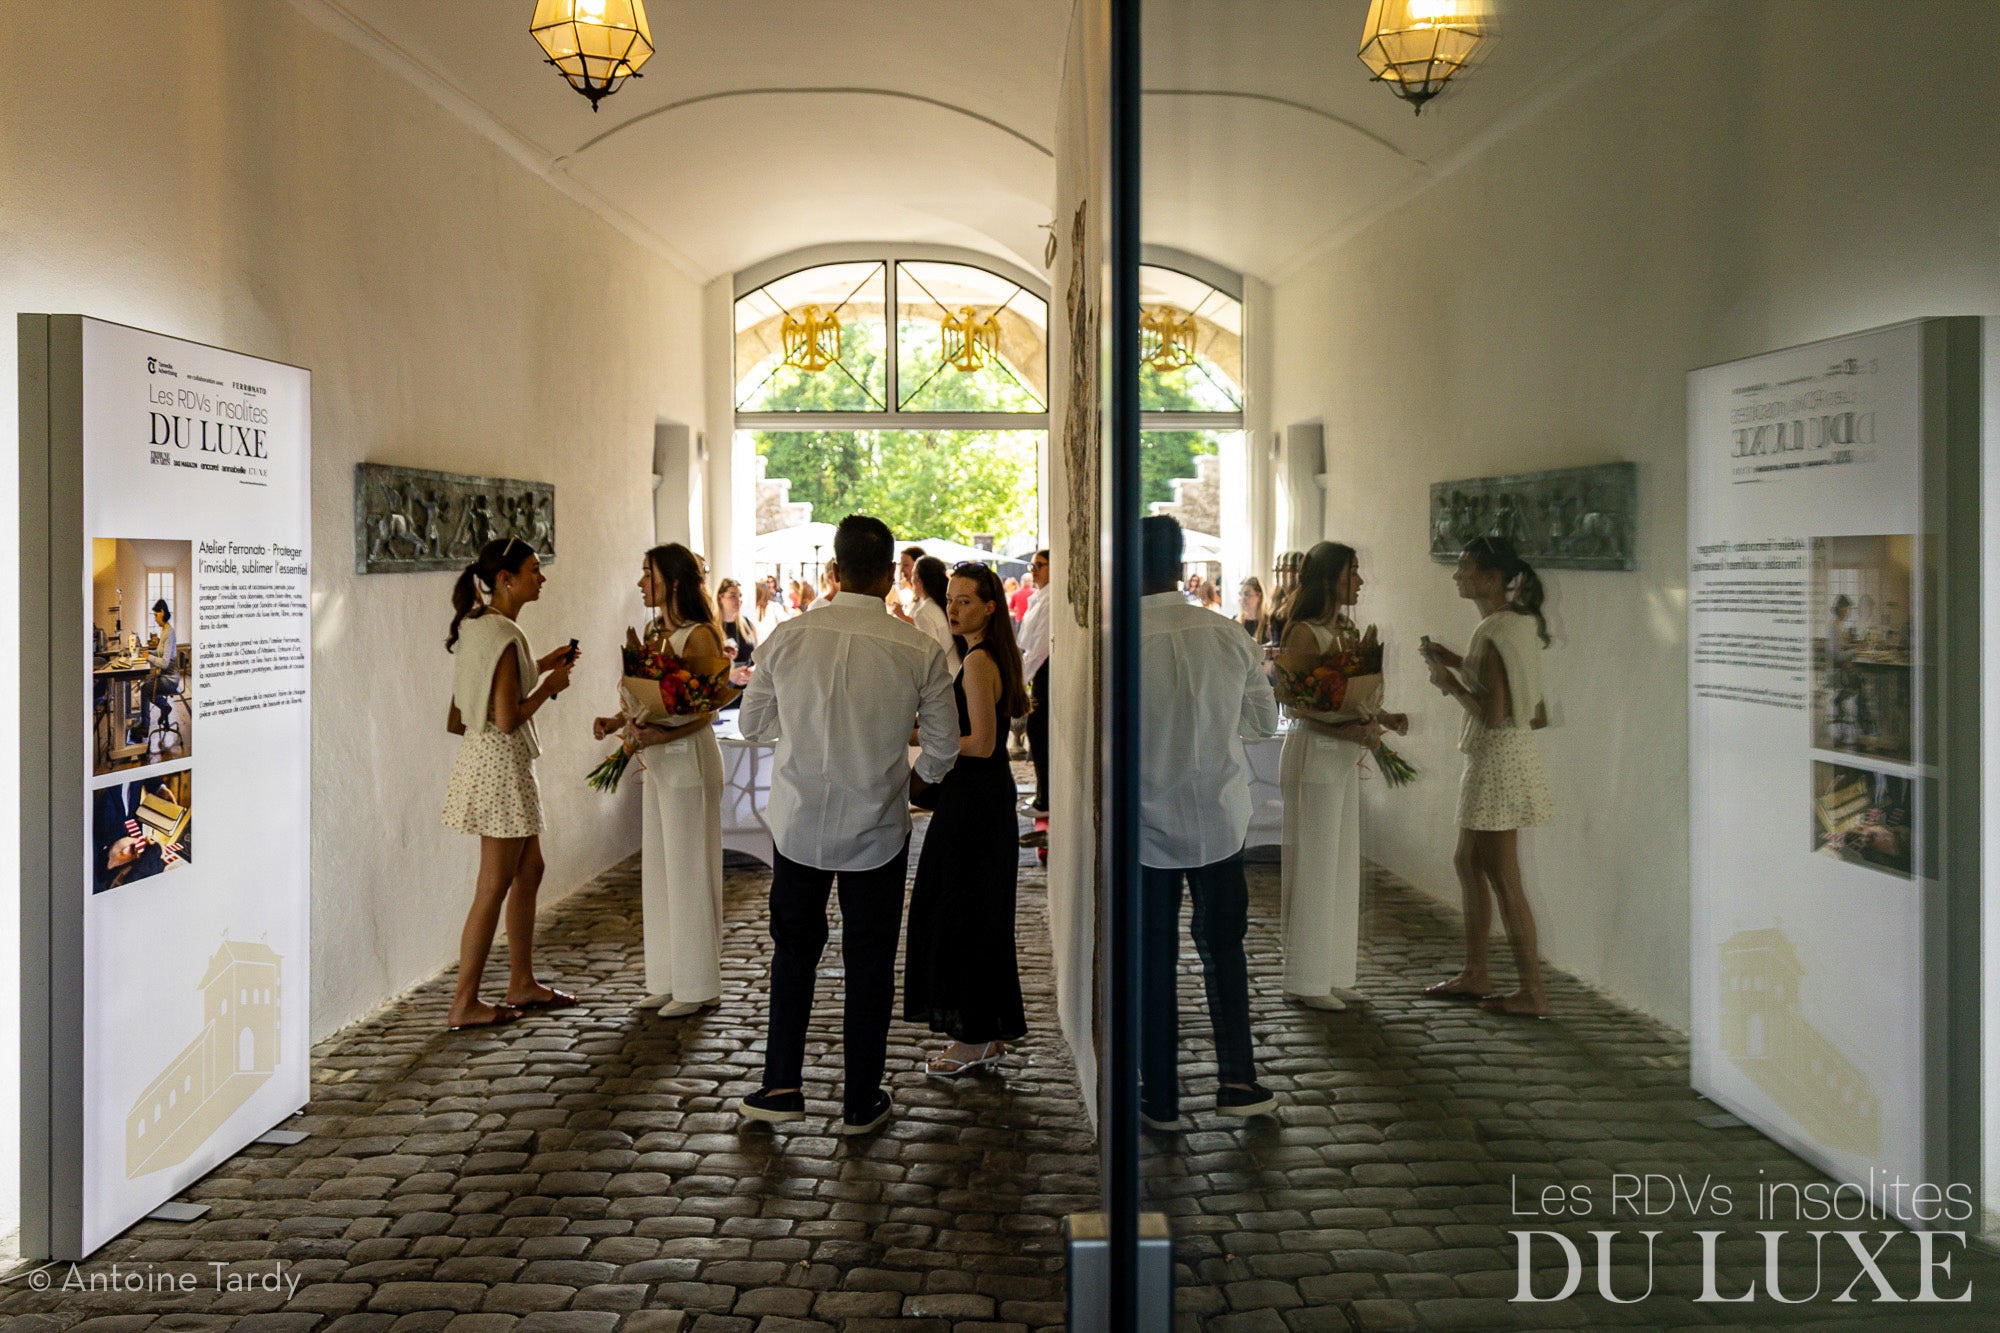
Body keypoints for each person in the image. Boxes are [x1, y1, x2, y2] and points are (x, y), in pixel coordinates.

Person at [735, 515, 960, 1134]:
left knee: (793, 952)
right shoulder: (917, 648)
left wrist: (803, 733)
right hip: (878, 827)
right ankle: (860, 1099)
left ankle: (781, 1083)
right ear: (890, 576)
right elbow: (943, 748)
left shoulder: (786, 638)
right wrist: (909, 786)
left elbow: (753, 726)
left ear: (834, 571)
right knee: (869, 961)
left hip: (798, 822)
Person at [1137, 517, 1281, 1127]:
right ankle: (1237, 1079)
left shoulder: (1119, 642)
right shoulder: (1228, 635)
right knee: (1224, 949)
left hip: (1144, 823)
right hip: (1219, 817)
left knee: (1153, 957)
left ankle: (1160, 1095)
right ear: (1180, 567)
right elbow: (1263, 724)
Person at [441, 537, 578, 1030]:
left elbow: (478, 697)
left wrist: (541, 664)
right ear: (506, 578)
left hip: (489, 762)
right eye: (534, 569)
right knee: (493, 884)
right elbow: (506, 718)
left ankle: (521, 980)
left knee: (530, 868)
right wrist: (549, 687)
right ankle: (464, 1002)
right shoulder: (504, 633)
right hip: (502, 767)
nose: (542, 577)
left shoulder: (478, 624)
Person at [594, 545, 735, 1019]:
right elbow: (651, 699)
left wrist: (661, 732)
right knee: (660, 870)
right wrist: (619, 721)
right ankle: (668, 978)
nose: (640, 584)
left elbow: (706, 709)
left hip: (689, 759)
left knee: (690, 869)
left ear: (673, 581)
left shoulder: (700, 636)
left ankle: (700, 984)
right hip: (659, 761)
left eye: (647, 574)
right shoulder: (657, 632)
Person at [1420, 535, 1556, 1018]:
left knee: (1504, 877)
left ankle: (1532, 992)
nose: (1458, 575)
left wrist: (1449, 683)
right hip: (1506, 757)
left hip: (1496, 761)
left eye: (1467, 568)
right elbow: (1518, 695)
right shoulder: (1516, 622)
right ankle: (1476, 971)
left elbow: (1493, 713)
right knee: (1468, 861)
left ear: (1492, 578)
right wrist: (1458, 661)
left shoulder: (1495, 629)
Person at [904, 563, 1031, 1075]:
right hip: (979, 798)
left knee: (963, 914)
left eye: (964, 601)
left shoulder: (979, 661)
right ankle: (984, 1033)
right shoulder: (984, 654)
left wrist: (928, 742)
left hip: (975, 802)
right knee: (975, 913)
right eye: (951, 599)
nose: (953, 609)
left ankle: (974, 1037)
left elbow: (981, 743)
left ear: (989, 608)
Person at [1273, 543, 1409, 1010]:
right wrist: (1346, 728)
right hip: (1315, 754)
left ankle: (1334, 972)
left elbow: (1350, 696)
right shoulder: (1304, 633)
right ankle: (1305, 979)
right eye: (1353, 572)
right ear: (1330, 578)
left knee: (1341, 866)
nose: (1361, 581)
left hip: (1342, 756)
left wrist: (1381, 717)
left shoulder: (1347, 631)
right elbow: (1295, 705)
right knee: (1314, 866)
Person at [1019, 548, 1052, 813]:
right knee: (1037, 734)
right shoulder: (1039, 597)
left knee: (1039, 733)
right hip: (1035, 669)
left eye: (1039, 566)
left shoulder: (1051, 600)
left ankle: (1045, 798)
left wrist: (1020, 680)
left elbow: (1040, 647)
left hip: (1044, 670)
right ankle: (1043, 794)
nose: (1034, 571)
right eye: (1032, 566)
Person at [137, 599, 181, 748]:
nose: (155, 619)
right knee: (147, 687)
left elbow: (164, 663)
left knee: (145, 689)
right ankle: (165, 707)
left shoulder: (169, 632)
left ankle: (145, 726)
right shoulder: (165, 630)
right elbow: (160, 652)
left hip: (170, 679)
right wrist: (148, 652)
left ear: (162, 612)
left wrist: (148, 657)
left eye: (156, 615)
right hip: (165, 676)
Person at [910, 556, 960, 670]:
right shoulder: (945, 605)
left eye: (913, 575)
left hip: (943, 674)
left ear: (919, 581)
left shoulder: (923, 612)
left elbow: (930, 656)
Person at [715, 577, 757, 711]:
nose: (738, 600)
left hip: (747, 696)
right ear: (720, 597)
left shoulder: (748, 625)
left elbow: (757, 657)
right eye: (733, 596)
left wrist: (752, 671)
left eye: (740, 596)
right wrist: (729, 676)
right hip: (723, 697)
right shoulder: (711, 628)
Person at [890, 545, 928, 623]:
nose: (902, 570)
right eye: (901, 565)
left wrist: (901, 615)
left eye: (906, 565)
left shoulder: (926, 597)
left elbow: (924, 626)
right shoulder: (909, 593)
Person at [751, 579, 787, 644]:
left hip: (757, 646)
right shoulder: (774, 606)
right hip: (773, 645)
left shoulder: (751, 610)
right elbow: (786, 624)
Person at [1237, 577, 1268, 644]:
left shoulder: (1269, 623)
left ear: (1259, 597)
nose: (1243, 599)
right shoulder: (1235, 622)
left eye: (1247, 594)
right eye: (1241, 594)